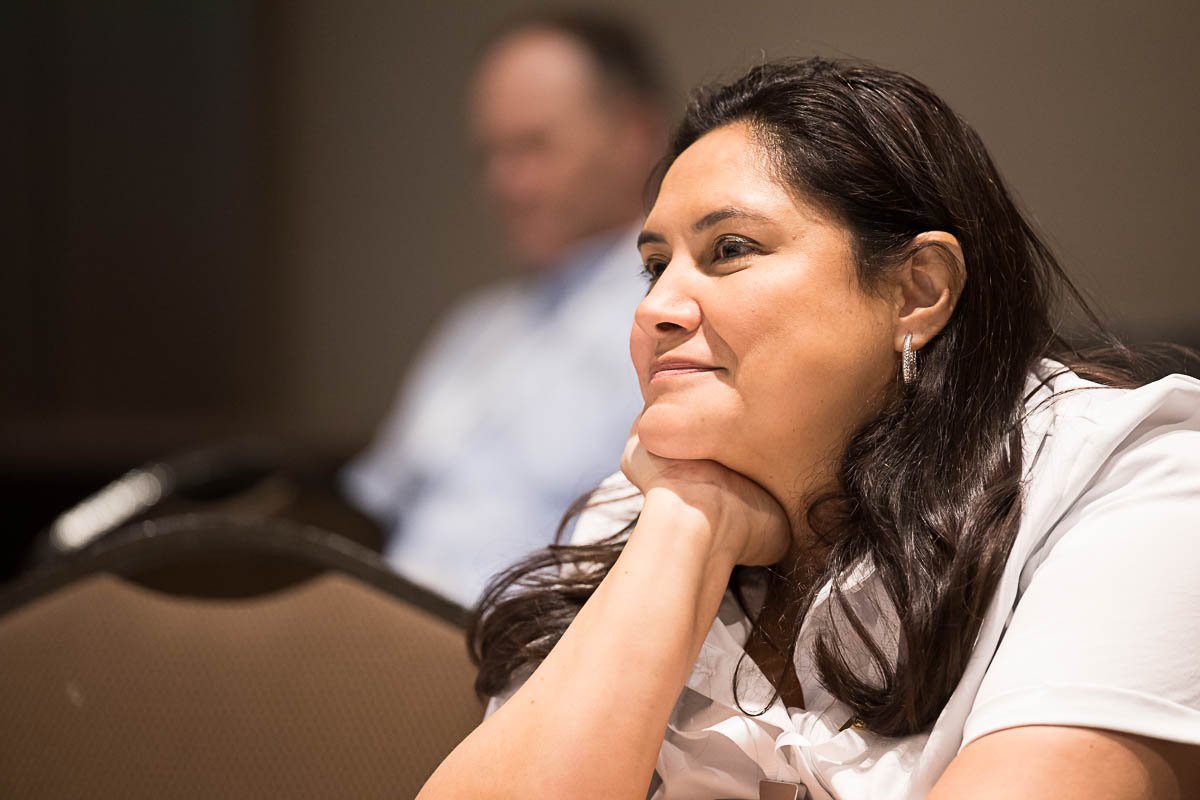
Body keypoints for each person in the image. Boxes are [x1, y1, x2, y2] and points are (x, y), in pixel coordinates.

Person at [417, 58, 1200, 799]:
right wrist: (687, 526)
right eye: (656, 266)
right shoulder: (643, 506)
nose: (656, 309)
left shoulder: (1131, 486)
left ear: (918, 290)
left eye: (730, 250)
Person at [341, 12, 668, 607]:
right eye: (489, 154)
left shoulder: (674, 316)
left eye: (533, 147)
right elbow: (367, 506)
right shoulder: (474, 328)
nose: (504, 182)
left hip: (530, 642)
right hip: (378, 619)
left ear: (634, 134)